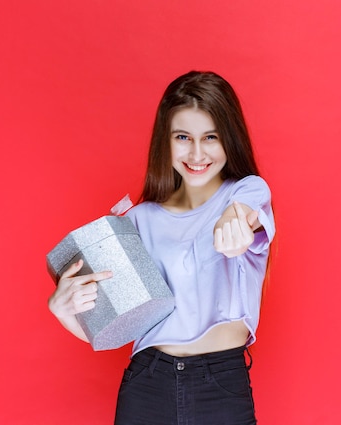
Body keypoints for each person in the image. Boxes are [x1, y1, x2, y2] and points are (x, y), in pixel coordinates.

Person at [48, 71, 275, 425]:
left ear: (229, 140)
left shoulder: (246, 193)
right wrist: (63, 311)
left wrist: (236, 225)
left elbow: (245, 214)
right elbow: (111, 331)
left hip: (220, 384)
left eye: (211, 137)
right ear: (165, 142)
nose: (197, 153)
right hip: (147, 384)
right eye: (183, 137)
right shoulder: (137, 221)